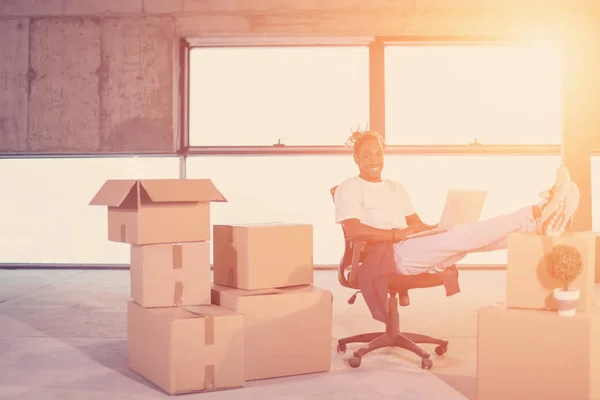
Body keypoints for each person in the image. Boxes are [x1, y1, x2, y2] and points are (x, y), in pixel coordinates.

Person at [334, 129, 581, 276]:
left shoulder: (396, 188)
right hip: (386, 256)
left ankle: (538, 226)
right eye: (367, 155)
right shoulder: (349, 187)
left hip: (409, 247)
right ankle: (535, 212)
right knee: (465, 236)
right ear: (356, 159)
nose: (375, 159)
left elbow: (415, 224)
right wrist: (396, 235)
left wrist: (434, 228)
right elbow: (353, 230)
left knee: (474, 239)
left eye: (378, 153)